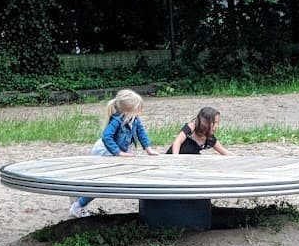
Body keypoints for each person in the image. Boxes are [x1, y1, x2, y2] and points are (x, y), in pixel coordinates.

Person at [70, 89, 159, 217]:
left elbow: (141, 132)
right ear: (126, 111)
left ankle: (79, 197)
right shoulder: (117, 120)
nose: (138, 113)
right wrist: (118, 153)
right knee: (102, 182)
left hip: (117, 151)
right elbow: (107, 137)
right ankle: (78, 205)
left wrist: (148, 148)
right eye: (136, 110)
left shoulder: (133, 118)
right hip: (106, 151)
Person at [167, 106, 233, 155]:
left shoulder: (210, 138)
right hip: (172, 157)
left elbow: (225, 152)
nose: (216, 126)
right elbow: (177, 142)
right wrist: (175, 158)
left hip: (187, 162)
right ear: (205, 122)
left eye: (217, 123)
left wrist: (238, 158)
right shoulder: (191, 127)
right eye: (214, 122)